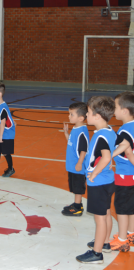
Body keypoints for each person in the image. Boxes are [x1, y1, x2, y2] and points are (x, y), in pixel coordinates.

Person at [76, 96, 116, 264]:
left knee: (99, 219)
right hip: (107, 181)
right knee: (106, 213)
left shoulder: (101, 137)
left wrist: (94, 174)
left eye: (89, 112)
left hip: (98, 183)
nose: (86, 115)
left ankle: (96, 253)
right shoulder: (109, 131)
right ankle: (105, 242)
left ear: (98, 116)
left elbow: (106, 158)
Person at [108, 92, 134, 252]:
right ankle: (131, 234)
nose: (113, 111)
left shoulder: (124, 132)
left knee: (122, 207)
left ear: (124, 111)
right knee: (131, 206)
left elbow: (123, 151)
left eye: (115, 107)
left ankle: (122, 240)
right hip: (132, 175)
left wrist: (107, 159)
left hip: (125, 175)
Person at [62, 102, 89, 216]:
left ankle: (77, 208)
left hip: (77, 166)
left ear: (81, 118)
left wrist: (79, 163)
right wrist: (66, 134)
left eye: (71, 114)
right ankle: (76, 204)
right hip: (72, 165)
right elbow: (72, 143)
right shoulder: (76, 128)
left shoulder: (82, 132)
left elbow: (83, 150)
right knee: (74, 186)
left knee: (78, 188)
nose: (69, 116)